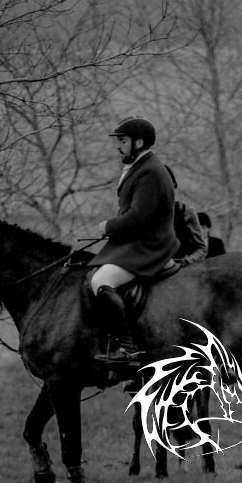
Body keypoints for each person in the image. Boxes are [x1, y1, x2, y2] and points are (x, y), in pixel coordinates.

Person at [90, 116, 179, 369]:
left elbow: (139, 216)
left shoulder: (150, 171)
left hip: (150, 244)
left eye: (122, 141)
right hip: (137, 240)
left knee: (101, 281)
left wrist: (109, 226)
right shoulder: (141, 166)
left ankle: (127, 349)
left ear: (138, 143)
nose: (118, 146)